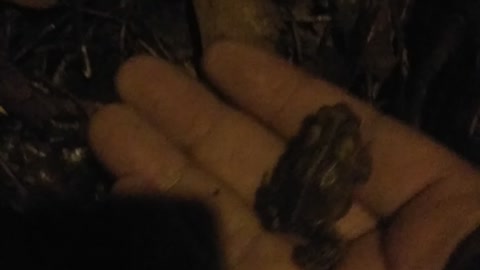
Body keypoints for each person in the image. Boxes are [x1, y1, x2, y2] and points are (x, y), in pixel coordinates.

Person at [7, 1, 480, 269]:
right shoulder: (355, 164)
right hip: (304, 201)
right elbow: (356, 172)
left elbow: (342, 171)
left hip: (299, 200)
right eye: (327, 128)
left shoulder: (342, 163)